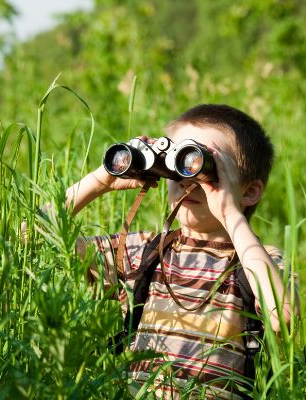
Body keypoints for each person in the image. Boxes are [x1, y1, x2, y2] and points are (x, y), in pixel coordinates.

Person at [66, 104, 297, 398]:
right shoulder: (143, 252)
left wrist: (230, 214)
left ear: (250, 191)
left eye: (205, 165)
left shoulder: (259, 262)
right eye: (178, 163)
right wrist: (100, 180)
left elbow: (284, 315)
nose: (188, 178)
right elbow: (31, 236)